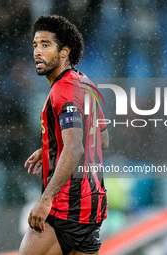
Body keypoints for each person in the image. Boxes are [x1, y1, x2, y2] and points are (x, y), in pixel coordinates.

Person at [19, 15, 109, 255]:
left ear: (64, 52)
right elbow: (104, 139)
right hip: (93, 207)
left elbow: (75, 148)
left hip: (66, 207)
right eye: (35, 45)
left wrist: (46, 199)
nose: (37, 52)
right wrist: (53, 146)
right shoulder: (86, 84)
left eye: (46, 45)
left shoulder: (62, 90)